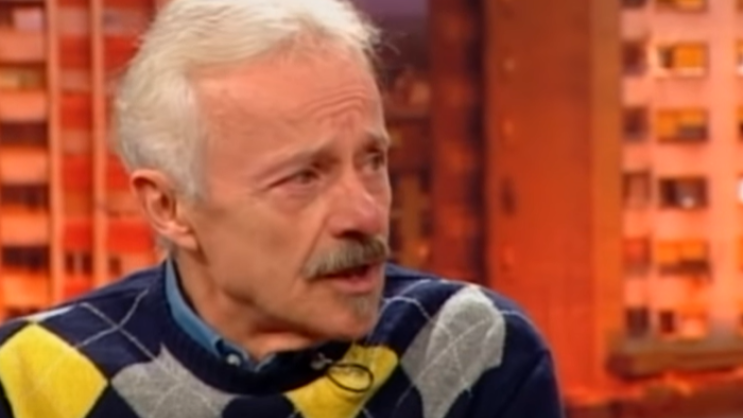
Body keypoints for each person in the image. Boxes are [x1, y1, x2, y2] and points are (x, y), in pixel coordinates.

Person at [0, 0, 564, 417]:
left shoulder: (466, 351)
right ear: (169, 206)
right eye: (303, 177)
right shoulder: (32, 377)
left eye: (372, 161)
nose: (366, 216)